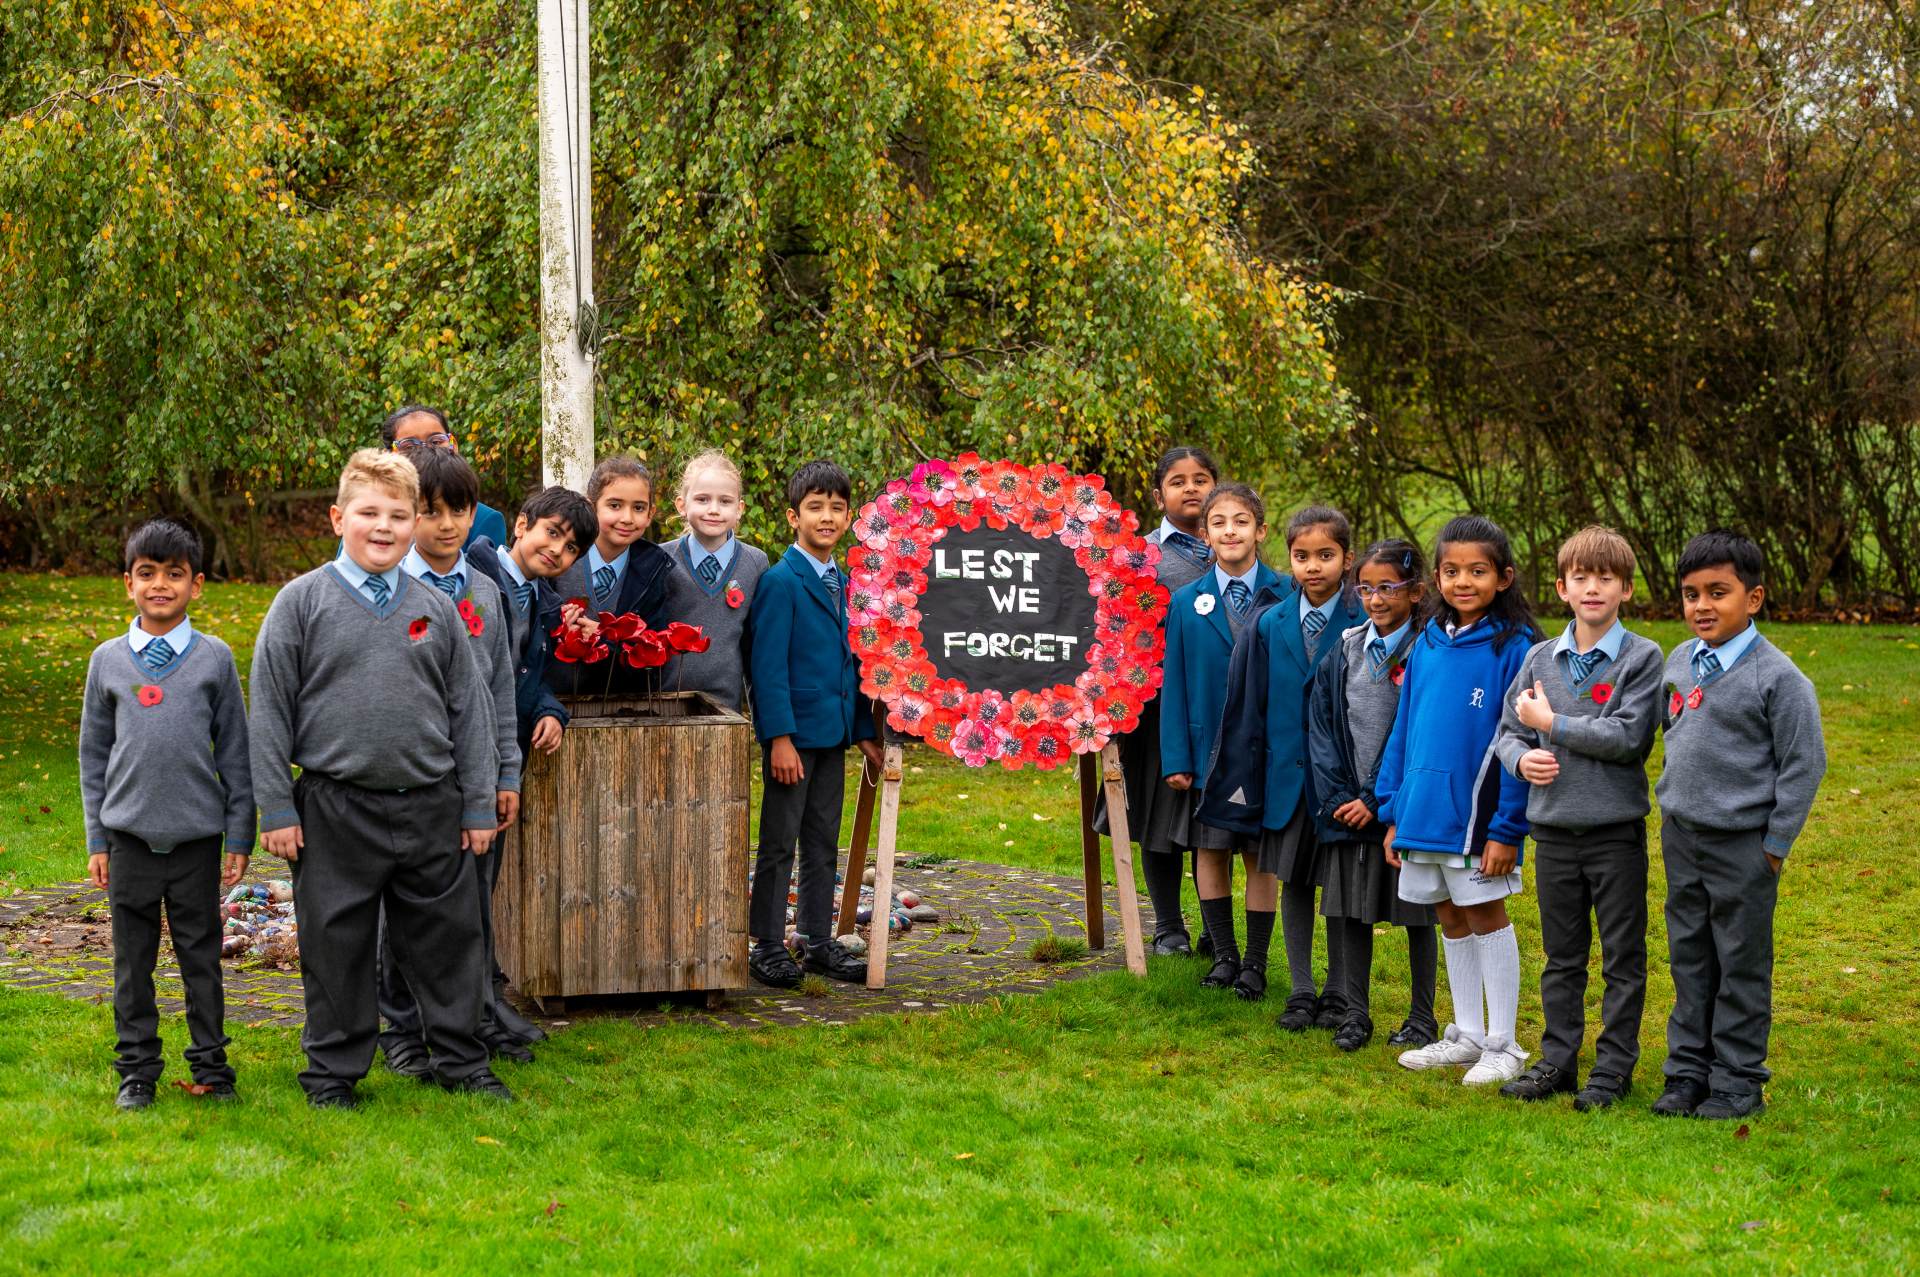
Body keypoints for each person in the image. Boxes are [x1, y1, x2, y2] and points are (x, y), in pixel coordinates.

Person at [248, 450, 510, 1107]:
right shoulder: (300, 604)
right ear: (339, 518)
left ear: (414, 521)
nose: (384, 526)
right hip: (335, 807)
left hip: (431, 804)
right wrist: (276, 807)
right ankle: (333, 1073)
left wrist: (478, 804)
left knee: (450, 941)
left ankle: (461, 1061)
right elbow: (270, 712)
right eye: (369, 513)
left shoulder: (436, 608)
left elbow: (471, 713)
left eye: (398, 514)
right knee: (336, 944)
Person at [79, 519, 253, 1111]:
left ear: (196, 584)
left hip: (197, 840)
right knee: (133, 963)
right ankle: (136, 1071)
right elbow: (93, 757)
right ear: (128, 582)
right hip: (128, 839)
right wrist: (98, 839)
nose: (160, 585)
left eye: (174, 574)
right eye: (147, 573)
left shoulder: (214, 659)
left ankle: (212, 1066)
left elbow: (235, 752)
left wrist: (240, 834)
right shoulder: (107, 662)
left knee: (200, 958)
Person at [1651, 530, 1825, 1120]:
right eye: (1691, 594)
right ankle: (1687, 1073)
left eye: (1717, 592)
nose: (1702, 606)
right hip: (1683, 839)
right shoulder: (1680, 662)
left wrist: (1773, 846)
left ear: (1753, 598)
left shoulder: (1778, 678)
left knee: (1740, 963)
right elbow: (1672, 736)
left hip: (1744, 847)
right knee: (1690, 957)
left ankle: (1737, 1080)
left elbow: (1804, 764)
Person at [1492, 526, 1664, 1110]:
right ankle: (1558, 1061)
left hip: (1615, 835)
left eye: (1606, 578)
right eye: (1581, 578)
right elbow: (1507, 734)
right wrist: (1521, 760)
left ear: (1626, 590)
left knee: (1622, 958)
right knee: (1562, 957)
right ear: (1563, 588)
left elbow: (1628, 738)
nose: (1593, 588)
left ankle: (1613, 1068)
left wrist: (1553, 725)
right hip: (1554, 834)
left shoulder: (1642, 658)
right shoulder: (1539, 659)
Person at [1375, 514, 1542, 1088]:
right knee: (1448, 914)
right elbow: (1404, 729)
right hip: (1423, 813)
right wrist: (1393, 811)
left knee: (1485, 914)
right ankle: (1467, 1033)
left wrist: (1506, 828)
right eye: (1451, 571)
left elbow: (1521, 742)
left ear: (1504, 577)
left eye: (1477, 571)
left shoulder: (1517, 649)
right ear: (1438, 577)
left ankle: (1504, 1043)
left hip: (1478, 821)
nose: (1463, 581)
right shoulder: (1426, 642)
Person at [378, 448, 529, 1078]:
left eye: (459, 511)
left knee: (471, 908)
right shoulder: (389, 590)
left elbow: (500, 690)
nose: (447, 525)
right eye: (431, 511)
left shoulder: (486, 592)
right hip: (411, 777)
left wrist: (505, 773)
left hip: (475, 780)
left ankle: (472, 1020)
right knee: (402, 911)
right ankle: (402, 1029)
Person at [1202, 505, 1365, 1028]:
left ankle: (1338, 992)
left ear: (1347, 559)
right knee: (1293, 882)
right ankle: (1300, 990)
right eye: (1302, 556)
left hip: (1342, 781)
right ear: (1289, 558)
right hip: (1285, 779)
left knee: (1338, 887)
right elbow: (1248, 707)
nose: (1313, 567)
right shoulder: (1269, 623)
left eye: (1326, 555)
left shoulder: (1363, 620)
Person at [745, 459, 883, 989]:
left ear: (848, 516)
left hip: (833, 736)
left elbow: (851, 666)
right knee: (779, 843)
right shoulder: (780, 582)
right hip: (793, 739)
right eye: (815, 507)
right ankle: (766, 945)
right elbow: (767, 668)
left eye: (837, 508)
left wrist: (862, 732)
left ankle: (817, 940)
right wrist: (778, 738)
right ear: (793, 517)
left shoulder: (845, 584)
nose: (827, 517)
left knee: (823, 841)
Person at [1304, 538, 1440, 1053]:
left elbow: (1411, 731)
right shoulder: (1345, 649)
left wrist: (1375, 798)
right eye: (1365, 589)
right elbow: (1322, 725)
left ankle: (1421, 1017)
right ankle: (1354, 1013)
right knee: (1351, 913)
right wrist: (1341, 796)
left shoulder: (1427, 651)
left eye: (1388, 588)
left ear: (1416, 591)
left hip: (1400, 806)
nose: (1376, 599)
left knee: (1417, 913)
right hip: (1348, 809)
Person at [1159, 483, 1283, 996]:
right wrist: (1176, 756)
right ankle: (1225, 956)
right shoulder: (1186, 602)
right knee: (1209, 851)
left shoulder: (1286, 594)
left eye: (1241, 522)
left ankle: (1255, 961)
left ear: (1260, 531)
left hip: (1264, 752)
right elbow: (1175, 683)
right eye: (1219, 523)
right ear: (1205, 535)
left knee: (1258, 856)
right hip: (1206, 749)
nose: (1230, 531)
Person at [1103, 446, 1219, 956]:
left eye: (1201, 479)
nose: (1191, 488)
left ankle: (1216, 928)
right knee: (1157, 817)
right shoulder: (1139, 555)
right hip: (1153, 707)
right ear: (1158, 496)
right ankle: (1168, 925)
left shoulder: (1233, 548)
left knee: (1211, 822)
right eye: (1178, 481)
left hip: (1217, 707)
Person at [468, 486, 597, 760]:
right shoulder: (472, 579)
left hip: (505, 750)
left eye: (571, 548)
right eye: (552, 532)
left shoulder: (547, 609)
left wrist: (548, 710)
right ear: (521, 525)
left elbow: (527, 677)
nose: (557, 549)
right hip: (461, 737)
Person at [548, 456, 678, 695]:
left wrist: (605, 639)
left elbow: (653, 657)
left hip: (624, 707)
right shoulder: (557, 559)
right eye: (615, 505)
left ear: (650, 514)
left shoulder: (653, 572)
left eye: (638, 508)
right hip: (555, 703)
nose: (627, 518)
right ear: (592, 507)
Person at [659, 449, 769, 712]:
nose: (713, 510)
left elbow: (756, 648)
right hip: (665, 706)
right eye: (702, 499)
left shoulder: (755, 563)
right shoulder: (661, 560)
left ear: (739, 509)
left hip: (726, 710)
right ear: (682, 505)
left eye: (725, 501)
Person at [380, 405, 508, 549]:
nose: (425, 450)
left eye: (435, 442)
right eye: (409, 446)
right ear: (388, 456)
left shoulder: (484, 520)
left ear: (453, 445)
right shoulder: (374, 516)